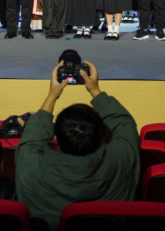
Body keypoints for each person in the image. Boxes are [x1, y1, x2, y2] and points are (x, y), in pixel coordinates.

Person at [15, 59, 140, 230]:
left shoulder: (31, 165)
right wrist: (95, 90)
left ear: (55, 139)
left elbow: (31, 140)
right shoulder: (122, 157)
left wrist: (52, 95)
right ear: (101, 136)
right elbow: (124, 124)